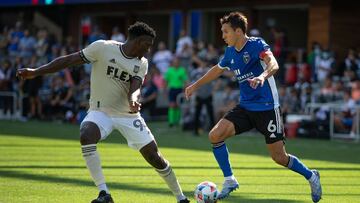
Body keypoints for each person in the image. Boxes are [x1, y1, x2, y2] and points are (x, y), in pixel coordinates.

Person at [17, 21, 189, 203]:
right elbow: (68, 60)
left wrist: (133, 100)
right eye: (147, 45)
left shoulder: (142, 63)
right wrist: (36, 72)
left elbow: (135, 87)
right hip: (100, 112)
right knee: (86, 133)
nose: (148, 51)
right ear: (137, 41)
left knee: (155, 157)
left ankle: (181, 197)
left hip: (127, 115)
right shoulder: (102, 48)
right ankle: (103, 194)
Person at [185, 12, 322, 202]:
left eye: (226, 32)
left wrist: (262, 77)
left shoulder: (257, 44)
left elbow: (273, 64)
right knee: (215, 135)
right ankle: (230, 180)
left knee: (279, 158)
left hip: (267, 107)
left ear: (238, 31)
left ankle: (311, 176)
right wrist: (195, 85)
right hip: (246, 107)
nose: (223, 36)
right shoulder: (230, 51)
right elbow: (217, 70)